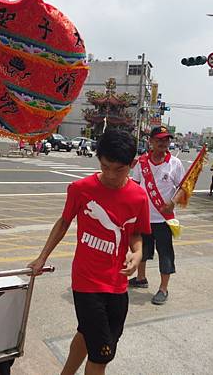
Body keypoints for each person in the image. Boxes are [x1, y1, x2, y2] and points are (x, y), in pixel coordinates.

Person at [28, 129, 150, 375]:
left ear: (132, 165)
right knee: (102, 352)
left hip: (117, 283)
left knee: (86, 335)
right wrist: (42, 257)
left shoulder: (138, 197)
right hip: (86, 281)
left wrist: (137, 255)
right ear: (99, 160)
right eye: (105, 167)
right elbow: (63, 222)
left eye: (119, 169)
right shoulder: (81, 188)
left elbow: (136, 233)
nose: (111, 175)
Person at [129, 126, 185, 305]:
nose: (163, 143)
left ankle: (163, 288)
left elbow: (184, 187)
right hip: (144, 216)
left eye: (166, 140)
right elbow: (135, 186)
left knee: (165, 253)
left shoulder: (175, 163)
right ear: (151, 142)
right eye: (159, 140)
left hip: (163, 219)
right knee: (142, 250)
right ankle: (141, 278)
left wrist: (172, 203)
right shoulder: (141, 163)